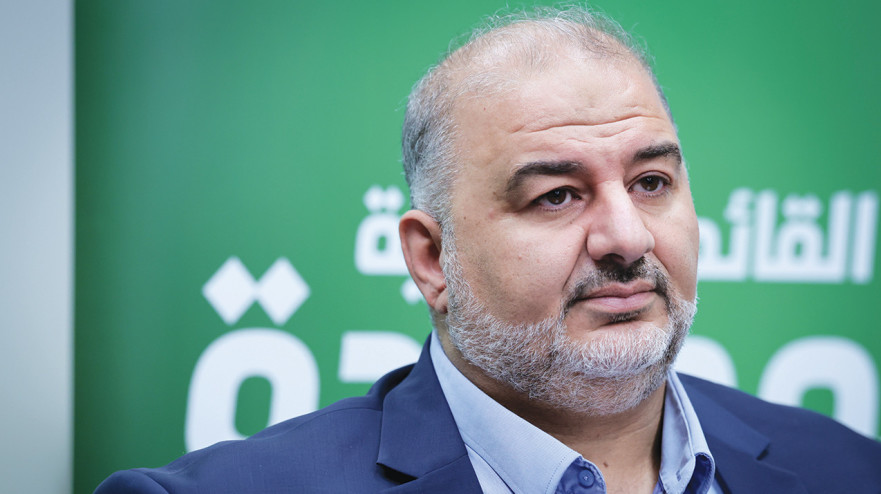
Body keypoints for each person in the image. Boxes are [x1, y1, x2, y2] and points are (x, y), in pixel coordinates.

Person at [96, 6, 881, 493]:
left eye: (650, 183)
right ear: (430, 259)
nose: (627, 238)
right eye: (556, 196)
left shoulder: (850, 471)